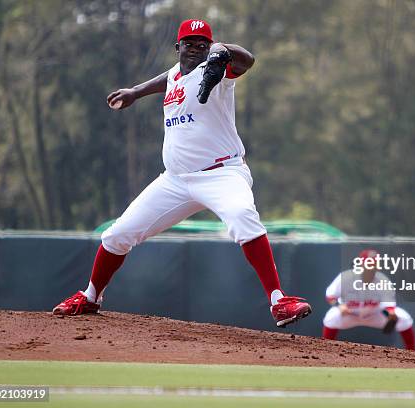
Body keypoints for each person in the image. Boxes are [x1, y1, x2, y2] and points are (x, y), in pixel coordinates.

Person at [52, 18, 312, 328]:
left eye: (202, 43)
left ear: (209, 47)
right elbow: (170, 76)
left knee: (243, 215)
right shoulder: (176, 72)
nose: (195, 48)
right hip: (175, 180)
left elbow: (247, 60)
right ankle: (91, 296)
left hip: (222, 173)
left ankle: (278, 301)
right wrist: (135, 91)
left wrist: (220, 51)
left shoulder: (218, 70)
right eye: (189, 43)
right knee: (118, 234)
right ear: (178, 47)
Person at [322, 249, 415, 350]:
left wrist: (391, 313)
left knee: (403, 317)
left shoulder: (382, 280)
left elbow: (389, 303)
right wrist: (339, 306)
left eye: (375, 263)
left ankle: (411, 353)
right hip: (349, 314)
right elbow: (330, 296)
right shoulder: (345, 277)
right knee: (331, 317)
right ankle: (326, 351)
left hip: (374, 315)